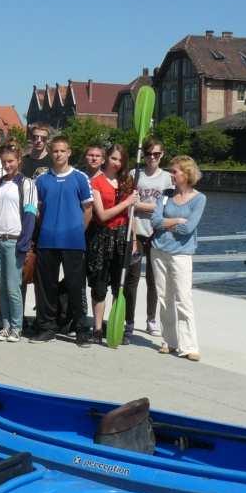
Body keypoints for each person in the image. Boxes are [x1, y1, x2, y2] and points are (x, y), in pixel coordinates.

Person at [34, 137, 94, 347]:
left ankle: (81, 330)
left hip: (73, 241)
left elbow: (88, 209)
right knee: (46, 287)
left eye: (62, 151)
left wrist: (77, 230)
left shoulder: (80, 178)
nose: (58, 154)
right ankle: (47, 327)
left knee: (76, 287)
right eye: (55, 151)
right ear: (51, 153)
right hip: (47, 240)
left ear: (69, 152)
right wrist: (48, 226)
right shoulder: (41, 180)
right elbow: (38, 210)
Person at [150, 156, 207, 361]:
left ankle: (189, 346)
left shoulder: (199, 199)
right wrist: (174, 220)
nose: (171, 175)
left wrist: (168, 224)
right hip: (159, 250)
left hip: (181, 253)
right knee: (164, 297)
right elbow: (155, 221)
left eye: (175, 172)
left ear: (186, 173)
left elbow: (188, 228)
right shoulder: (165, 195)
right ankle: (169, 340)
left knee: (183, 299)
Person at [87, 145, 139, 345]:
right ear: (107, 158)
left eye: (120, 160)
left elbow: (131, 215)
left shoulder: (127, 181)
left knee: (120, 285)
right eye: (114, 159)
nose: (117, 163)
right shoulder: (96, 182)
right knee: (99, 285)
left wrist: (134, 238)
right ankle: (98, 328)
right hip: (102, 237)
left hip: (122, 237)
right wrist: (127, 203)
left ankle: (116, 326)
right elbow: (101, 215)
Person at [125, 137, 173, 336]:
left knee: (154, 280)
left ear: (162, 155)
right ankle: (128, 319)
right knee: (132, 278)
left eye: (157, 154)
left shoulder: (167, 178)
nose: (152, 157)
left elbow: (167, 207)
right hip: (136, 232)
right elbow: (128, 204)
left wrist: (141, 205)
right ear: (143, 155)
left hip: (156, 234)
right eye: (149, 154)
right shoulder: (134, 174)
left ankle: (151, 319)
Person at [0, 144, 38, 342]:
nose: (7, 165)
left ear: (19, 161)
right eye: (4, 162)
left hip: (14, 240)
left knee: (13, 286)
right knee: (1, 285)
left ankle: (17, 327)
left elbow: (30, 214)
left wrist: (24, 242)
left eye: (10, 161)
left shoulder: (26, 183)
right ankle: (5, 325)